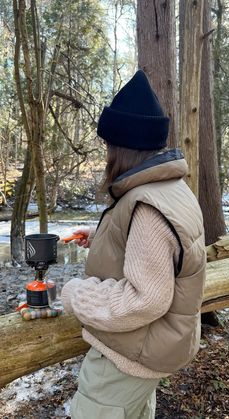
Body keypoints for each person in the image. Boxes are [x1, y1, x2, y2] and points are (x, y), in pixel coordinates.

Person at [61, 70, 206, 419]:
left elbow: (145, 299)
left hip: (125, 360)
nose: (107, 155)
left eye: (109, 145)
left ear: (121, 148)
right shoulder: (171, 189)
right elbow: (166, 253)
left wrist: (76, 295)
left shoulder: (147, 206)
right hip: (151, 350)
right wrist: (102, 240)